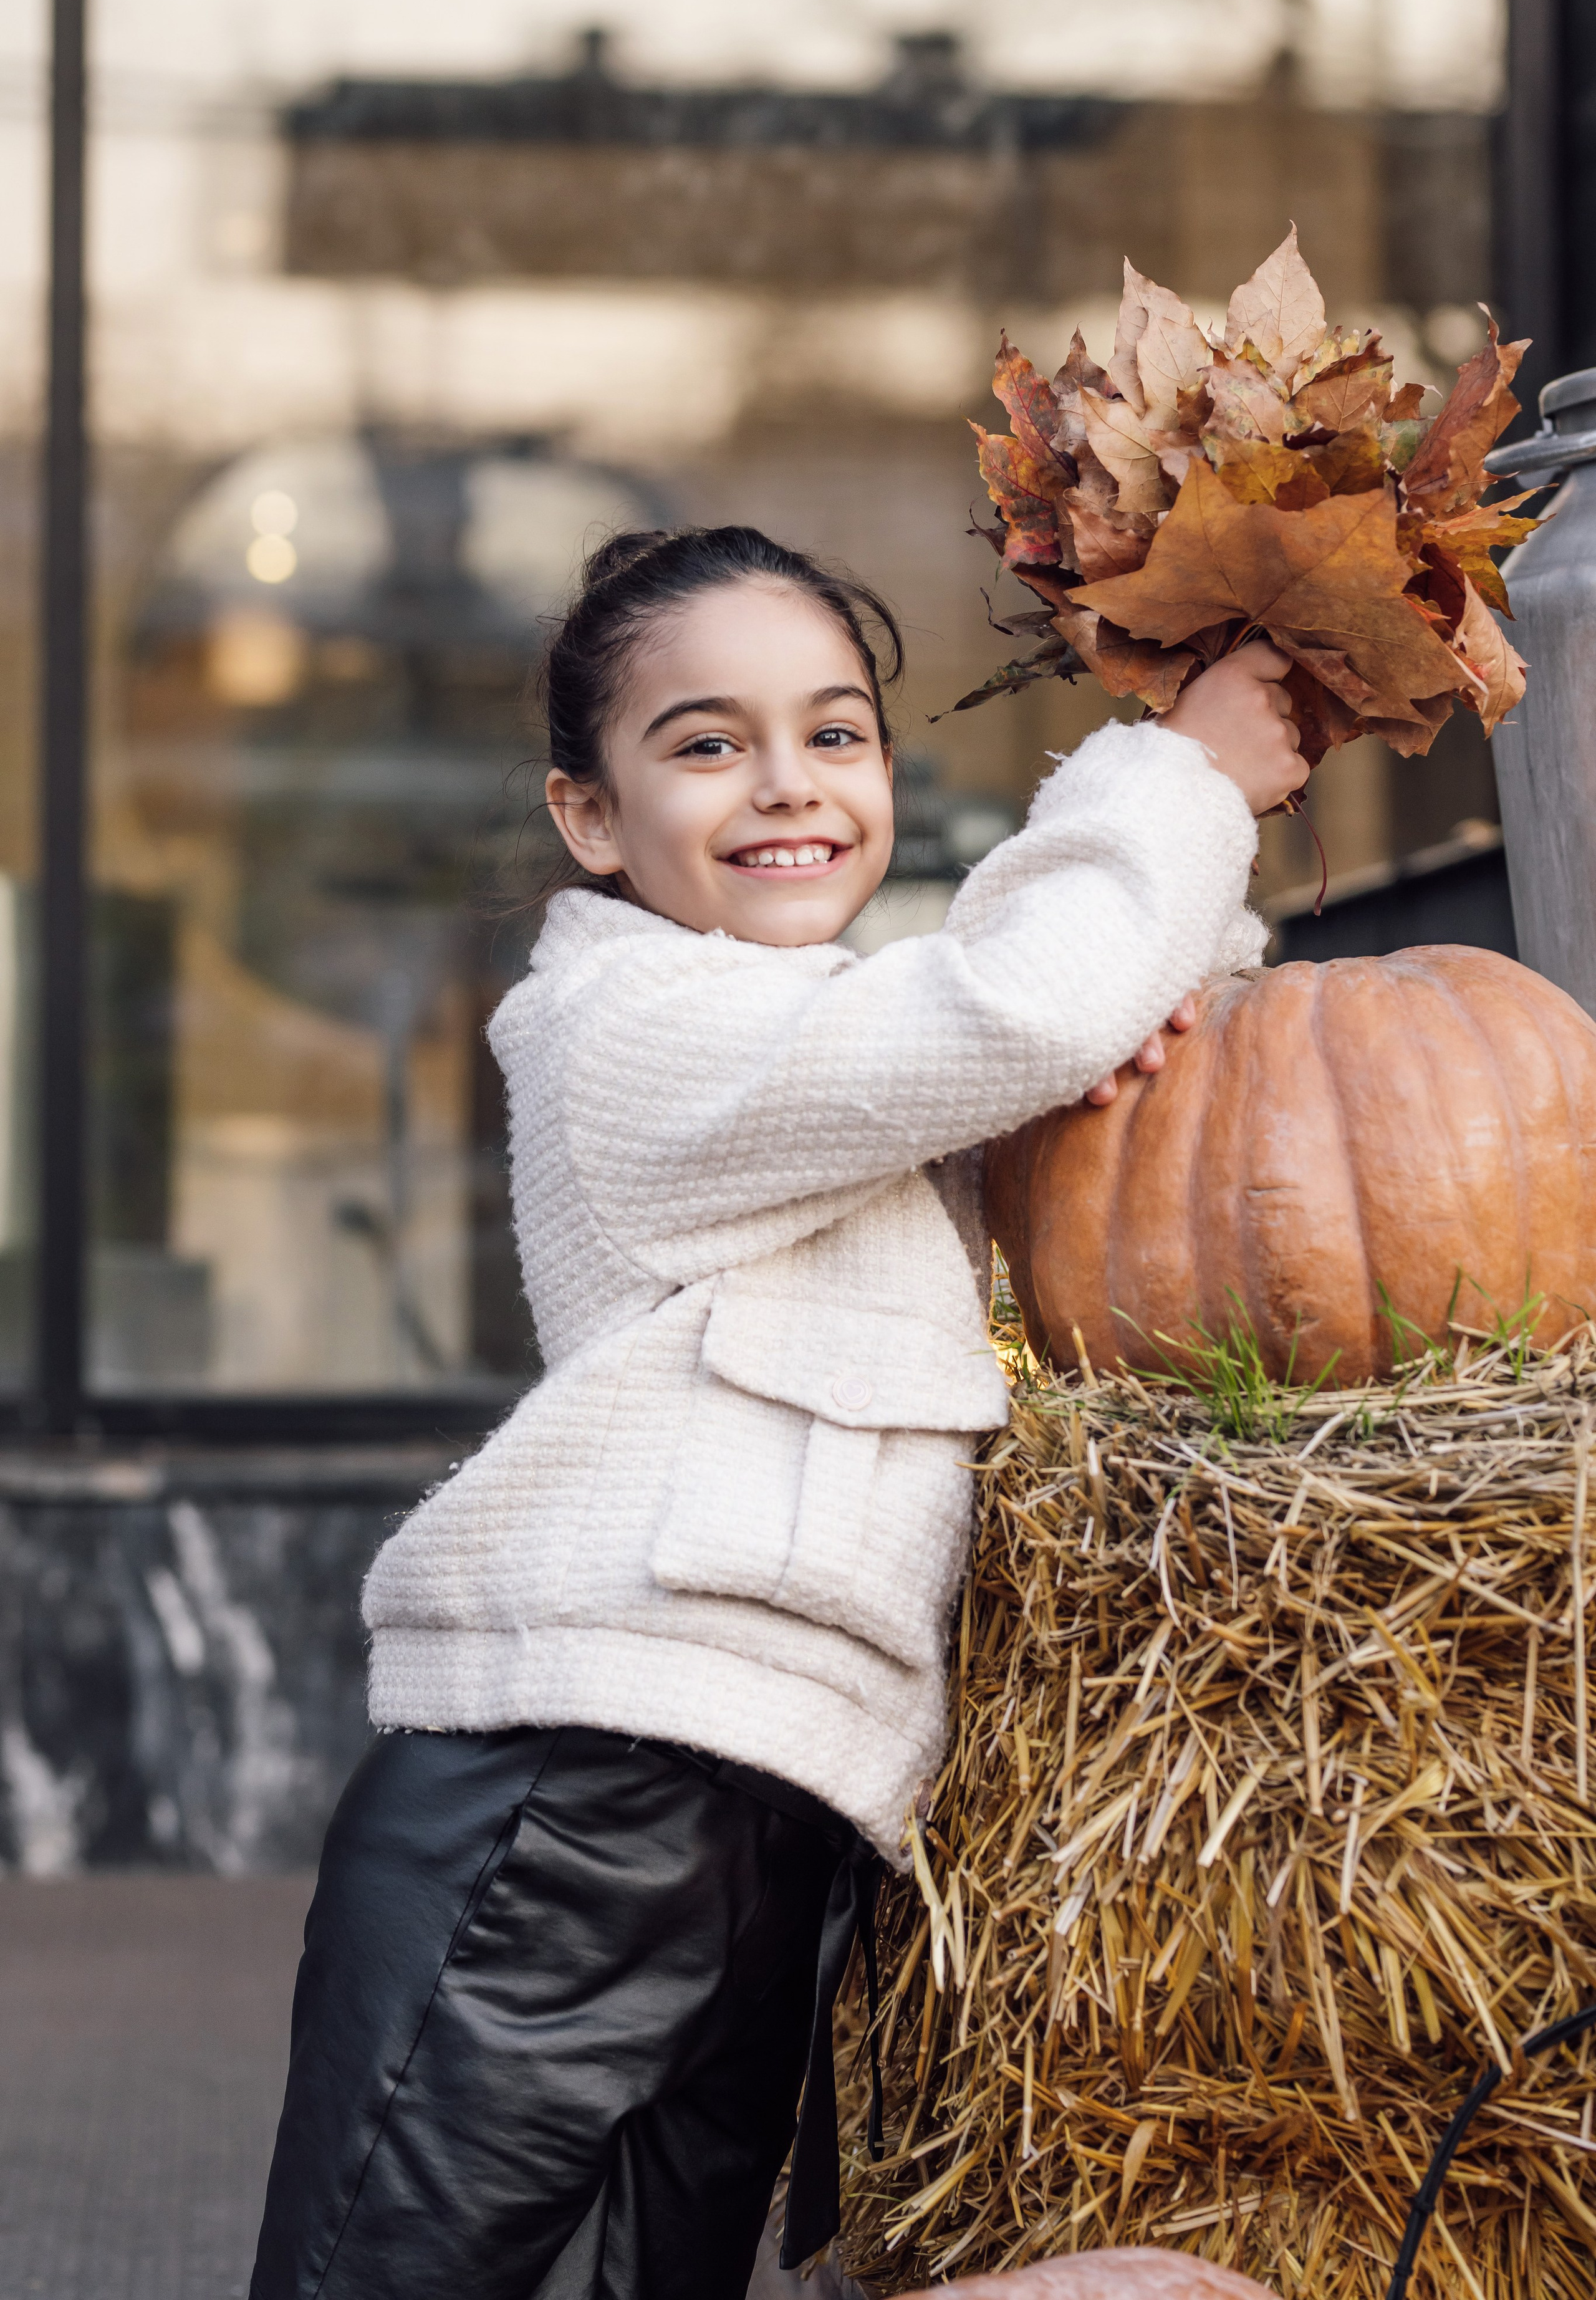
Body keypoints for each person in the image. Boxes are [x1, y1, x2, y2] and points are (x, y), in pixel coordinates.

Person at [249, 525, 1304, 2300]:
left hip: (774, 1810)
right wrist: (1178, 776)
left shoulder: (835, 1039)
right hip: (572, 1785)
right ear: (592, 818)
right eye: (707, 744)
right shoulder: (620, 1026)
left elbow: (1037, 1012)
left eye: (835, 733)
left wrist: (1137, 975)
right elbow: (1011, 999)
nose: (789, 784)